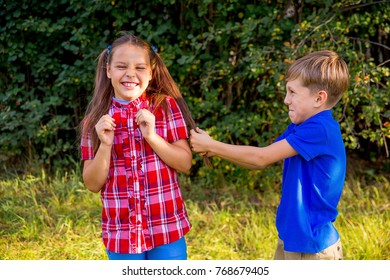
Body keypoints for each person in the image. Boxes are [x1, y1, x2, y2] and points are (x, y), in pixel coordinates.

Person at [190, 50, 350, 260]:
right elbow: (260, 160)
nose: (286, 100)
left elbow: (261, 157)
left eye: (292, 92)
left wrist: (213, 145)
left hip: (313, 247)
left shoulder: (320, 129)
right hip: (293, 237)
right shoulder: (302, 126)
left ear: (319, 98)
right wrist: (210, 147)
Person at [80, 33, 196, 260]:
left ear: (151, 73)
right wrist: (105, 145)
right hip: (121, 235)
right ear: (108, 70)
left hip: (166, 227)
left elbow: (185, 163)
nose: (130, 74)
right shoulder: (95, 120)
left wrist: (152, 137)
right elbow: (92, 184)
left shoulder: (165, 107)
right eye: (121, 66)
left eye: (140, 67)